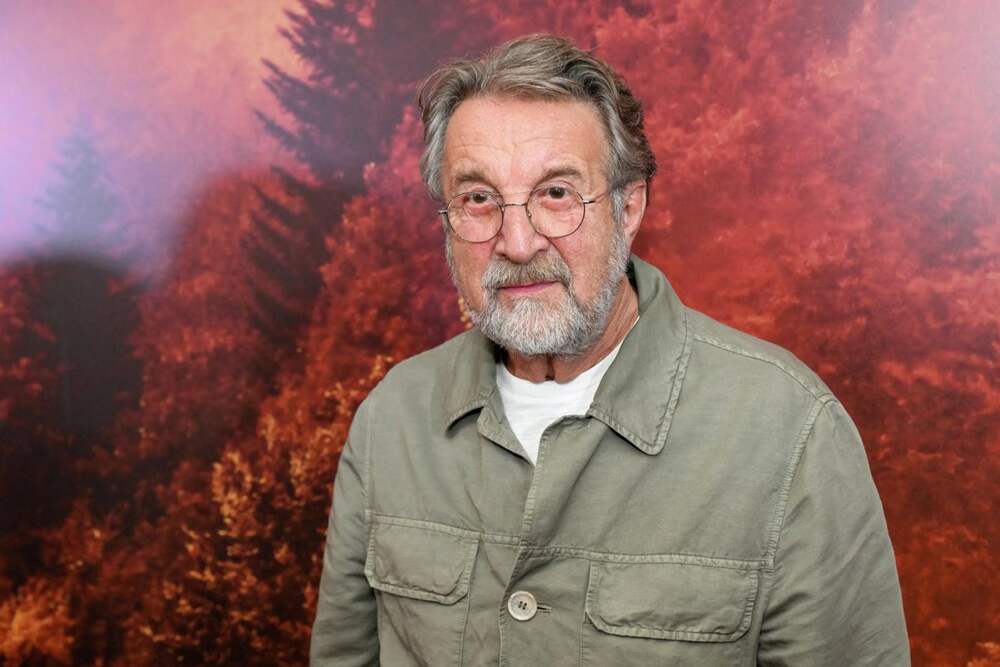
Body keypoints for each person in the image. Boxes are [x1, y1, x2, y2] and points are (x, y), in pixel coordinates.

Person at [310, 34, 909, 666]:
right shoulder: (391, 419)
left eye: (557, 194)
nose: (518, 242)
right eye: (479, 199)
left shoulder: (789, 431)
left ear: (629, 207)